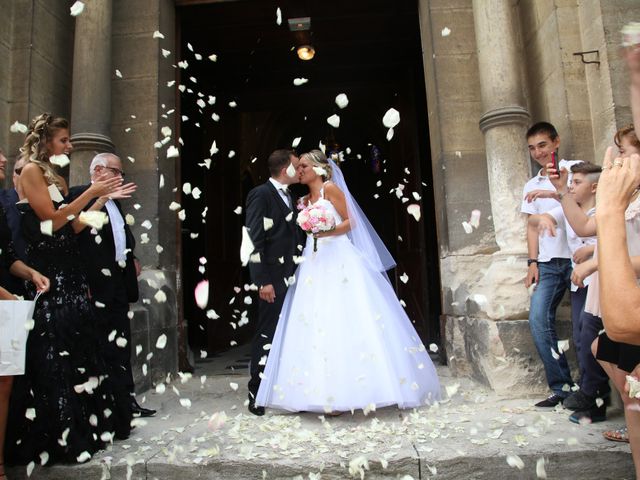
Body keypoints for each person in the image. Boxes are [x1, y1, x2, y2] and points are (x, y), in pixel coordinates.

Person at [255, 150, 440, 414]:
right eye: (299, 166)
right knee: (314, 321)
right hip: (313, 262)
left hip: (339, 257)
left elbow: (350, 221)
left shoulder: (331, 190)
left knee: (345, 318)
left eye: (305, 165)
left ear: (319, 168)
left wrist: (326, 230)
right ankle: (320, 393)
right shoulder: (303, 200)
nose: (301, 170)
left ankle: (357, 391)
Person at [5, 113, 129, 466]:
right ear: (46, 141)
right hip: (52, 278)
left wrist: (102, 202)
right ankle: (58, 438)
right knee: (54, 357)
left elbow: (71, 228)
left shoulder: (52, 176)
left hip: (71, 274)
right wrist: (91, 190)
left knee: (79, 351)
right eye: (64, 140)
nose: (69, 146)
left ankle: (87, 429)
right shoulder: (29, 170)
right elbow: (49, 223)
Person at [68, 153, 155, 419]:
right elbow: (77, 234)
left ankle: (126, 401)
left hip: (118, 282)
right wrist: (102, 199)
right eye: (114, 171)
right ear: (96, 171)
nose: (119, 177)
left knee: (122, 345)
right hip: (96, 284)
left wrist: (131, 257)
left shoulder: (116, 202)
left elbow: (119, 235)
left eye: (120, 173)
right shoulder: (81, 194)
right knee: (101, 346)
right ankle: (106, 407)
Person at [531, 162, 610, 424]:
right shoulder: (570, 209)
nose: (572, 187)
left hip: (602, 281)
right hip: (580, 283)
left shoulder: (605, 210)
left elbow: (593, 231)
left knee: (591, 335)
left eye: (577, 183)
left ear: (594, 187)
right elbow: (545, 218)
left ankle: (594, 393)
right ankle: (592, 394)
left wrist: (591, 251)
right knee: (580, 337)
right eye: (571, 182)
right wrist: (541, 218)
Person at [521, 122, 581, 407]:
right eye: (532, 148)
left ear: (556, 142)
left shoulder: (574, 170)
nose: (538, 152)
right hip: (548, 262)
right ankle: (562, 388)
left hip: (580, 256)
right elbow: (531, 226)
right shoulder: (531, 185)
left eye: (542, 145)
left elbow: (583, 201)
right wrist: (532, 262)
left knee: (585, 328)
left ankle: (595, 394)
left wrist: (553, 196)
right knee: (538, 321)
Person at [0, 148, 50, 480]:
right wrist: (5, 295)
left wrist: (30, 273)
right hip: (3, 300)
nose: (3, 160)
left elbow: (5, 257)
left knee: (4, 383)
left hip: (7, 301)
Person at [244, 149, 303, 416]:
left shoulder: (290, 196)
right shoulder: (261, 194)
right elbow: (253, 238)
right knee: (267, 333)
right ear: (284, 169)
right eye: (295, 165)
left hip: (293, 275)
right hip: (272, 279)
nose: (299, 169)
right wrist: (262, 281)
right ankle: (256, 392)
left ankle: (282, 387)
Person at [0, 154, 28, 296]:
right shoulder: (3, 200)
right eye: (22, 171)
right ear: (14, 177)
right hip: (8, 287)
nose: (4, 159)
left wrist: (33, 275)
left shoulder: (49, 207)